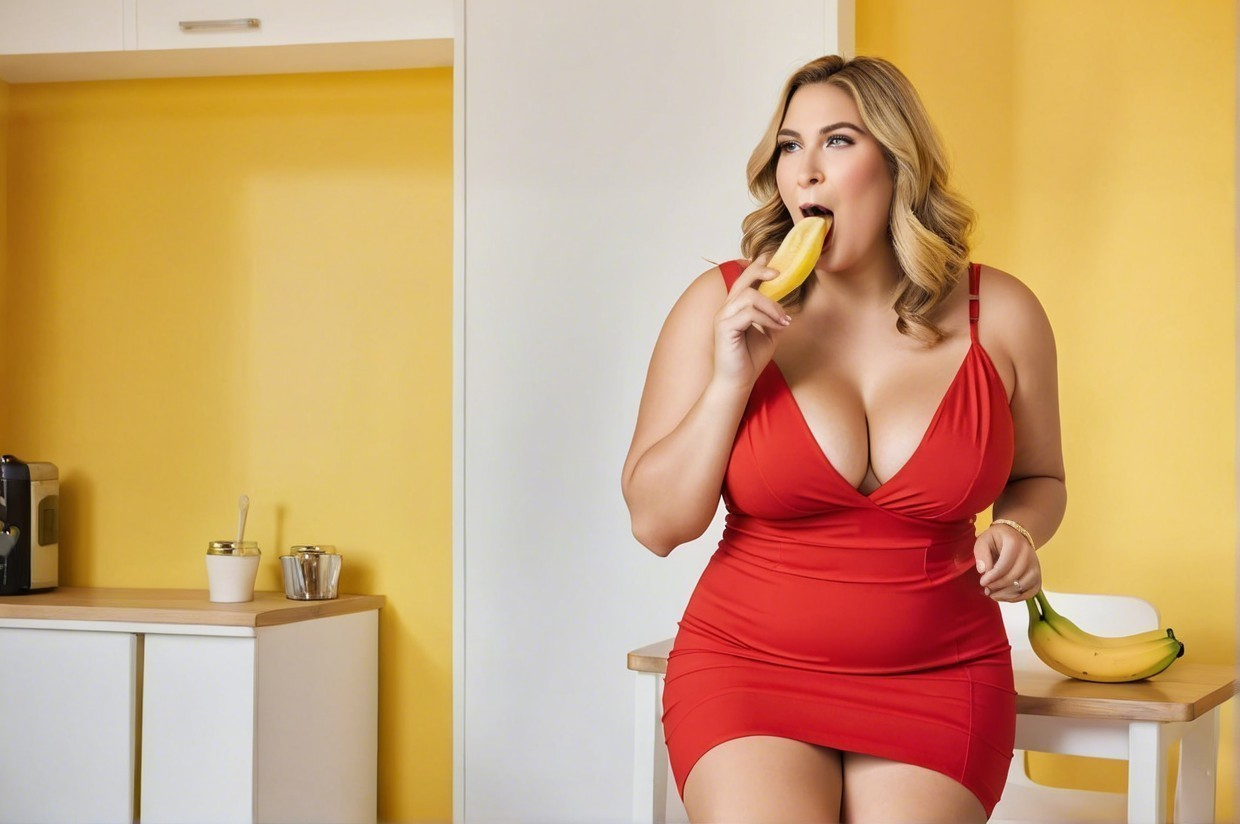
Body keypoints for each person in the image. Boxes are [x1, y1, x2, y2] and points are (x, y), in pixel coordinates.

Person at [621, 54, 1066, 822]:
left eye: (836, 142)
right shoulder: (722, 305)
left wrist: (1021, 529)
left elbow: (1042, 480)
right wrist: (732, 379)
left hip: (942, 676)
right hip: (747, 671)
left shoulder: (1004, 314)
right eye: (790, 147)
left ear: (898, 164)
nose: (806, 174)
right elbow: (658, 525)